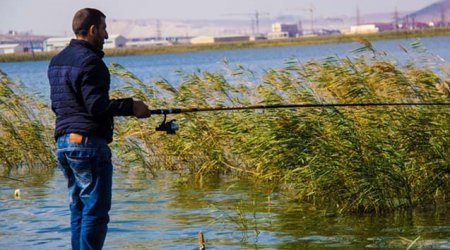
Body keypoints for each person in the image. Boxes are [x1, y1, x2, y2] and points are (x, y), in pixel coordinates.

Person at [48, 8, 151, 250]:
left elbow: (57, 105)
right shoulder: (91, 62)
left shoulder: (56, 61)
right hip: (88, 146)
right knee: (95, 212)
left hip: (64, 145)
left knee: (79, 211)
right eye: (104, 28)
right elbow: (96, 106)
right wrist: (131, 106)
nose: (106, 35)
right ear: (93, 29)